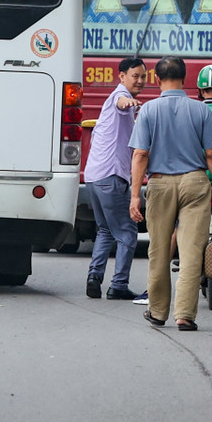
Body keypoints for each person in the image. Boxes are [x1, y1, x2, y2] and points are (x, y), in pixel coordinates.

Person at [129, 56, 212, 331]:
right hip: (196, 183)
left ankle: (158, 311)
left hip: (159, 184)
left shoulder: (148, 111)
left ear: (157, 80)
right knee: (191, 252)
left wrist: (135, 195)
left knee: (159, 251)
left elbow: (140, 155)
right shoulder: (200, 111)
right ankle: (184, 315)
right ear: (185, 79)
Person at [84, 58, 147, 300]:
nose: (140, 81)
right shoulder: (119, 97)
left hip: (93, 177)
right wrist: (128, 102)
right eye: (135, 76)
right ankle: (118, 284)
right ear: (122, 77)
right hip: (110, 176)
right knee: (128, 232)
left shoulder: (124, 101)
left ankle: (94, 277)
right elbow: (120, 103)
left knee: (105, 231)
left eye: (143, 76)